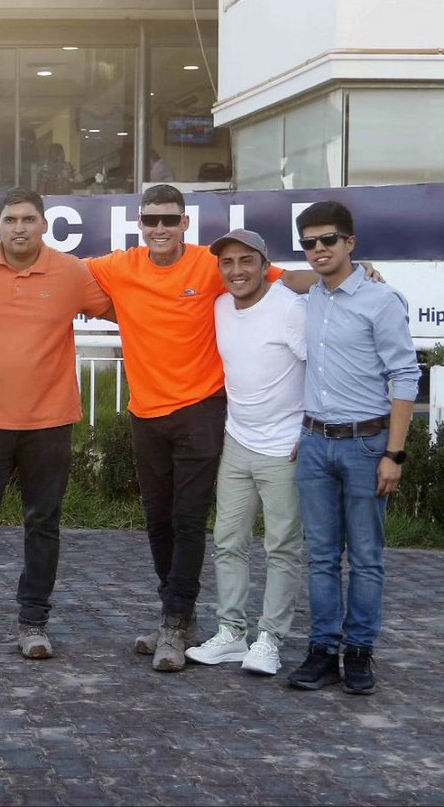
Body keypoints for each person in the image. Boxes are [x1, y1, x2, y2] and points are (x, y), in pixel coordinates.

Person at [82, 184, 324, 673]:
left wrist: (349, 277)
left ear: (184, 223)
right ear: (140, 224)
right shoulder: (119, 266)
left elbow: (290, 279)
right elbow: (59, 268)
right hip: (144, 413)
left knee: (192, 520)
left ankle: (175, 623)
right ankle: (182, 616)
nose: (160, 229)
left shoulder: (210, 267)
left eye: (169, 219)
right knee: (160, 521)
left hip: (201, 411)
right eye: (151, 220)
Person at [0, 187, 112, 660]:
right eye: (10, 219)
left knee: (43, 525)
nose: (19, 228)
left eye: (28, 219)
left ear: (44, 225)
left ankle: (33, 622)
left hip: (50, 421)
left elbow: (116, 309)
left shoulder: (71, 272)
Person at [286, 201, 419, 695]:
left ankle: (359, 652)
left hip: (368, 446)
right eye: (309, 242)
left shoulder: (382, 301)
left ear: (350, 242)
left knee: (365, 557)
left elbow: (405, 375)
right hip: (315, 444)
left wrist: (395, 454)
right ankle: (322, 650)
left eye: (328, 240)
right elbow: (283, 278)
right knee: (320, 556)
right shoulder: (312, 292)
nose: (318, 250)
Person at [184, 229, 306, 676]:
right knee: (227, 542)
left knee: (282, 547)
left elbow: (321, 366)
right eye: (228, 263)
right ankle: (232, 634)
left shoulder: (291, 308)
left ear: (264, 264)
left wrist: (308, 430)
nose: (237, 271)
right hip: (237, 441)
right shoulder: (218, 307)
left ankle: (270, 639)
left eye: (246, 261)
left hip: (286, 448)